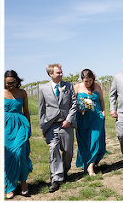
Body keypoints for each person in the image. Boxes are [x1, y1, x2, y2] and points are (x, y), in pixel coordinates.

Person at [37, 63, 77, 193]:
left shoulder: (69, 86)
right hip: (51, 125)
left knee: (68, 151)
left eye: (61, 72)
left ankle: (64, 171)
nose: (61, 74)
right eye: (58, 72)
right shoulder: (43, 89)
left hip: (66, 124)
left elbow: (73, 104)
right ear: (50, 74)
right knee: (53, 148)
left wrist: (68, 120)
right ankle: (56, 178)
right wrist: (43, 126)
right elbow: (41, 109)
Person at [4, 70, 32, 199]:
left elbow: (26, 111)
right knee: (9, 155)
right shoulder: (2, 93)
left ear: (17, 80)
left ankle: (23, 183)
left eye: (13, 82)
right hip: (6, 127)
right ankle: (10, 186)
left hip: (20, 125)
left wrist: (29, 128)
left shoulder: (22, 93)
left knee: (20, 153)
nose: (11, 85)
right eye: (8, 83)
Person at [74, 69, 107, 176]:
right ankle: (87, 161)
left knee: (95, 139)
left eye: (90, 80)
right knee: (84, 141)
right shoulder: (77, 87)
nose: (88, 83)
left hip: (97, 117)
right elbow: (72, 102)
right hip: (82, 118)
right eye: (86, 81)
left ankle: (91, 167)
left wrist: (103, 111)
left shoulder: (97, 86)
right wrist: (80, 108)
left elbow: (101, 100)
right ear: (82, 80)